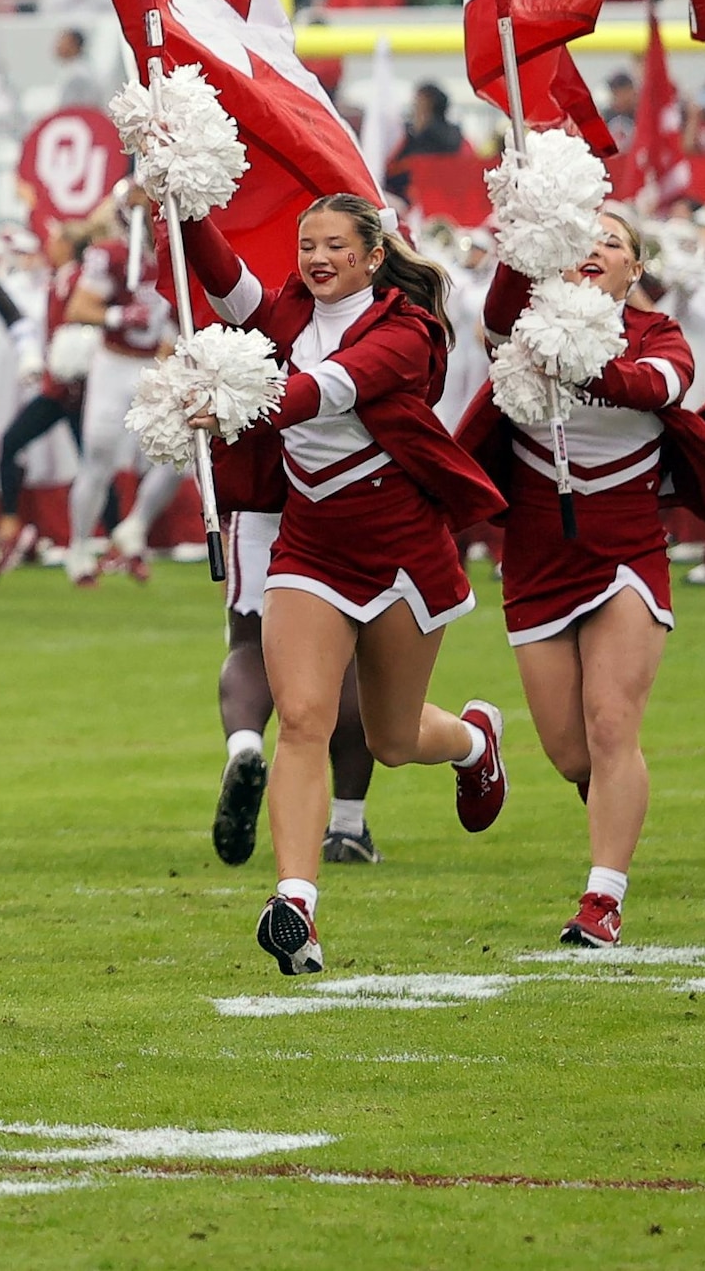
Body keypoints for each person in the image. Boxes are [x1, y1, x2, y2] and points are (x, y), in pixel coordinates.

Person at [175, 193, 510, 973]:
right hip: (310, 549)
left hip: (401, 555)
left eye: (334, 246)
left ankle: (472, 741)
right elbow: (229, 288)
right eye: (307, 246)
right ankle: (297, 903)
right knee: (303, 720)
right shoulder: (292, 311)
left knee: (393, 737)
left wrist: (232, 402)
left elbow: (325, 388)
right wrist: (184, 201)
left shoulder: (406, 333)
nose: (318, 259)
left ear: (370, 255)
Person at [467, 208, 705, 947]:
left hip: (625, 550)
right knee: (570, 752)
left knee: (612, 721)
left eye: (613, 242)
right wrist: (522, 244)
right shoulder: (524, 325)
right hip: (535, 556)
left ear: (634, 269)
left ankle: (603, 898)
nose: (595, 249)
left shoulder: (659, 336)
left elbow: (659, 387)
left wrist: (583, 360)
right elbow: (493, 324)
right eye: (580, 240)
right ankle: (597, 806)